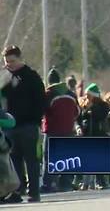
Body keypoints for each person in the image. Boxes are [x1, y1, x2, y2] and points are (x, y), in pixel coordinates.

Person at [1, 45, 46, 203]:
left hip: (28, 125)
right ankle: (16, 192)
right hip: (9, 126)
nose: (9, 64)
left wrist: (36, 119)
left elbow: (41, 100)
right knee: (13, 161)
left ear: (19, 59)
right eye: (6, 61)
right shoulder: (4, 76)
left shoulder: (31, 76)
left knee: (31, 160)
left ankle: (34, 192)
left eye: (12, 61)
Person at [41, 68, 79, 193]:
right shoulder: (71, 94)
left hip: (52, 130)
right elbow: (77, 112)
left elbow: (43, 111)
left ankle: (49, 184)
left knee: (50, 158)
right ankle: (66, 183)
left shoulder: (48, 94)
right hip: (68, 130)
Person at [77, 83, 109, 191]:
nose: (86, 97)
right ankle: (86, 183)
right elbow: (79, 118)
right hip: (87, 135)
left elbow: (101, 116)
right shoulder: (83, 105)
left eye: (89, 95)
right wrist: (79, 127)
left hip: (98, 134)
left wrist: (92, 108)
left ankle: (101, 182)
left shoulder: (103, 106)